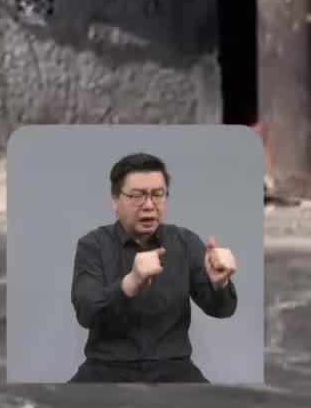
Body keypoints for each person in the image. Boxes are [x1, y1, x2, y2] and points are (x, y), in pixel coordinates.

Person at [69, 152, 238, 383]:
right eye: (137, 196)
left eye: (158, 195)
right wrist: (130, 283)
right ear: (115, 199)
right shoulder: (93, 245)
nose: (149, 206)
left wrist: (220, 283)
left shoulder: (185, 242)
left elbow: (222, 310)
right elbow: (85, 312)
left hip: (174, 369)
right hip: (106, 368)